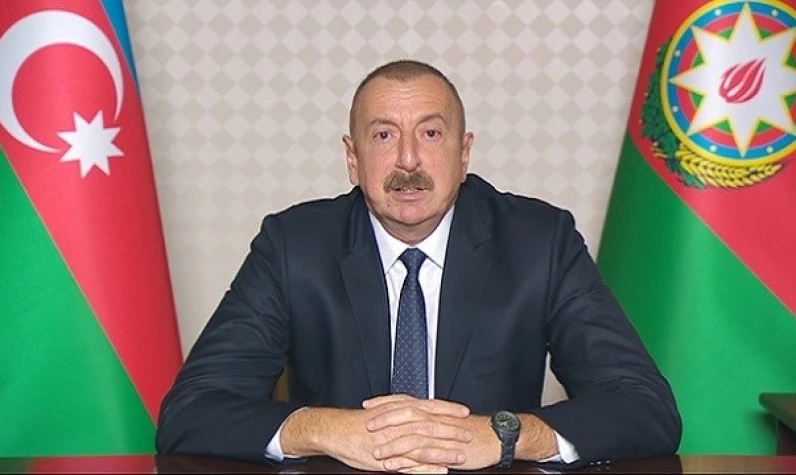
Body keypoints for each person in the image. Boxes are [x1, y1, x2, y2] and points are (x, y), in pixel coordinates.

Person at [156, 59, 681, 472]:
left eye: (430, 134)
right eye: (384, 135)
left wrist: (506, 436)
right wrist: (322, 430)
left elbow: (645, 407)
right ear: (353, 158)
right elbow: (190, 413)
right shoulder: (294, 247)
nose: (408, 160)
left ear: (464, 153)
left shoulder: (539, 243)